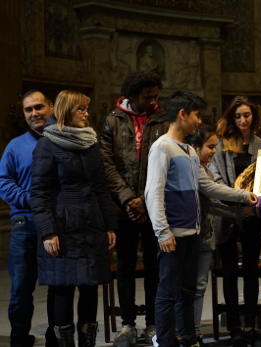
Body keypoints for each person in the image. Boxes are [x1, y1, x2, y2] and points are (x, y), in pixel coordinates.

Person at [144, 91, 257, 347]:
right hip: (172, 235)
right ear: (182, 115)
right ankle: (164, 341)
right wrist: (162, 232)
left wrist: (244, 196)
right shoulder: (162, 147)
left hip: (192, 234)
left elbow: (209, 188)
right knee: (168, 293)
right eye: (196, 115)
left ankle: (187, 338)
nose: (198, 121)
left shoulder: (189, 151)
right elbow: (153, 192)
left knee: (187, 292)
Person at [30, 90, 117, 347]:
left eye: (86, 109)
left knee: (90, 288)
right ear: (67, 111)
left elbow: (101, 188)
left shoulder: (91, 143)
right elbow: (39, 192)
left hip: (91, 226)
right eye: (81, 109)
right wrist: (47, 231)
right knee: (63, 289)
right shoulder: (47, 143)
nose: (86, 114)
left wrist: (109, 225)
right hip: (62, 227)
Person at [99, 70, 168, 347]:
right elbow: (106, 164)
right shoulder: (112, 121)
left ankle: (153, 323)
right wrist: (129, 199)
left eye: (155, 96)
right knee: (125, 267)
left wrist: (145, 199)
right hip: (123, 209)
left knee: (155, 267)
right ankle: (127, 324)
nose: (152, 102)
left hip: (153, 206)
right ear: (131, 96)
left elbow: (163, 163)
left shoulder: (162, 119)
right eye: (146, 97)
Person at [207, 95, 261, 347]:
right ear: (232, 118)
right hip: (227, 215)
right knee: (230, 272)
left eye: (247, 115)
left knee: (251, 271)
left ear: (254, 117)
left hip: (253, 215)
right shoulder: (221, 145)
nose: (243, 120)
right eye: (238, 115)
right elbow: (216, 180)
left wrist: (253, 204)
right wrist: (238, 201)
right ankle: (233, 327)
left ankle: (250, 324)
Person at [0, 90, 58, 347]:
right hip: (25, 225)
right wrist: (32, 200)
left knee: (59, 287)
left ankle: (55, 339)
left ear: (52, 107)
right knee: (21, 290)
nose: (34, 113)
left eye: (38, 107)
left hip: (57, 226)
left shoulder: (62, 140)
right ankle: (19, 340)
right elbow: (4, 183)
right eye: (28, 109)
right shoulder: (15, 146)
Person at [186, 124, 249, 346]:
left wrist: (238, 213)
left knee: (200, 285)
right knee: (191, 287)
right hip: (193, 235)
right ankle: (189, 333)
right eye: (210, 147)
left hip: (206, 236)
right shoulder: (194, 169)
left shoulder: (207, 168)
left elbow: (211, 205)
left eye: (215, 147)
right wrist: (244, 199)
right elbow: (212, 193)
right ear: (194, 147)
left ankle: (194, 333)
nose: (214, 151)